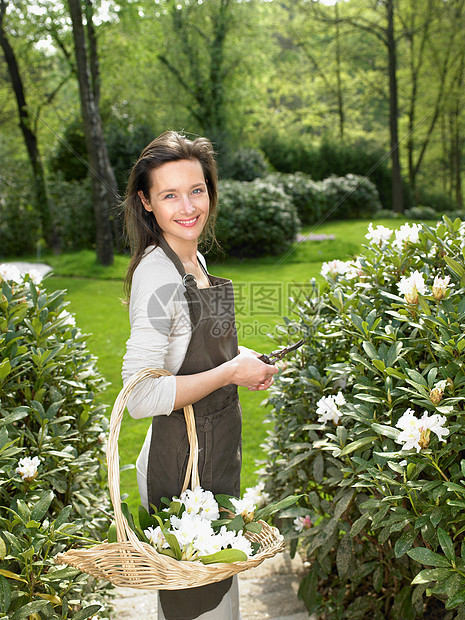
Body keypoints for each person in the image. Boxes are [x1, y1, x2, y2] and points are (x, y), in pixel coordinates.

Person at [121, 131, 278, 620]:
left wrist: (243, 359)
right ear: (146, 202)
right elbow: (141, 394)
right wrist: (231, 369)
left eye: (197, 189)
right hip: (180, 468)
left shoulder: (193, 259)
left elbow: (192, 351)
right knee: (202, 612)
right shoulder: (160, 275)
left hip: (211, 458)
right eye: (169, 194)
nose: (188, 206)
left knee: (221, 603)